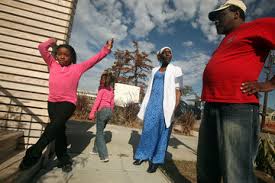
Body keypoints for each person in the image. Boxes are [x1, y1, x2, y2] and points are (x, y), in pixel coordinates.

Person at [197, 0, 275, 182]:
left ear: (236, 13)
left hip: (237, 107)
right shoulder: (226, 41)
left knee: (236, 173)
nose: (216, 21)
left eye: (220, 15)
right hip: (211, 107)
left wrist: (268, 84)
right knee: (206, 168)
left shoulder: (258, 26)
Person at [19, 38, 114, 172]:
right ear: (56, 55)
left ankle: (34, 152)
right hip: (52, 103)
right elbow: (41, 47)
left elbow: (94, 60)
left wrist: (106, 50)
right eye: (59, 54)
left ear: (72, 57)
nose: (62, 56)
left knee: (54, 127)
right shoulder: (52, 64)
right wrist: (52, 42)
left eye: (66, 54)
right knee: (58, 131)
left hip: (68, 103)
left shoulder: (77, 68)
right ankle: (64, 160)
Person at [133, 47, 183, 173]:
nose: (168, 54)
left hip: (167, 106)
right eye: (165, 53)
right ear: (160, 56)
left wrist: (176, 107)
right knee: (147, 130)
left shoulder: (176, 70)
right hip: (152, 104)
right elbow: (150, 87)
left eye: (170, 52)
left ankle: (156, 160)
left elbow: (178, 90)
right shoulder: (155, 70)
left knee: (163, 134)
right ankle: (142, 155)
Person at [89, 71, 114, 162]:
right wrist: (110, 112)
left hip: (102, 111)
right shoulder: (111, 90)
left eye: (101, 79)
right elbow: (112, 103)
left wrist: (92, 113)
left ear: (103, 81)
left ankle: (104, 155)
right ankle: (95, 150)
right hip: (108, 112)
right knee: (100, 131)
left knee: (99, 133)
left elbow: (97, 102)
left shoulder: (102, 90)